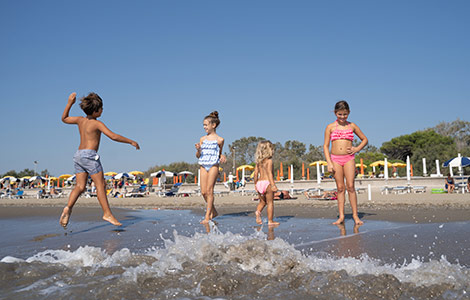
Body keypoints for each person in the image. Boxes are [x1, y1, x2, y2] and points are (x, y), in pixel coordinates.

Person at [59, 92, 140, 228]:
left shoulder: (80, 120)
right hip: (90, 156)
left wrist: (69, 103)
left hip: (78, 155)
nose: (103, 110)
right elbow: (113, 136)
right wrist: (131, 141)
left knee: (80, 186)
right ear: (96, 111)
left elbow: (64, 118)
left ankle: (68, 208)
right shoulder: (97, 124)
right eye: (101, 108)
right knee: (100, 185)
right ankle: (107, 213)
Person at [324, 100, 368, 225]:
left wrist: (356, 149)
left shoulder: (352, 126)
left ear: (348, 113)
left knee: (350, 186)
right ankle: (341, 216)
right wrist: (329, 162)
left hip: (349, 158)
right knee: (340, 188)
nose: (342, 117)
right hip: (335, 159)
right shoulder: (330, 127)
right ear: (335, 113)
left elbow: (364, 139)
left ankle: (355, 216)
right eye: (340, 114)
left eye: (345, 114)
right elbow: (326, 146)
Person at [195, 111, 226, 224]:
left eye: (206, 125)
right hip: (203, 164)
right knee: (203, 192)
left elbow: (219, 153)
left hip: (213, 165)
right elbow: (198, 156)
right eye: (203, 125)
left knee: (209, 190)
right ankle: (214, 211)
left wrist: (222, 156)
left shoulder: (220, 140)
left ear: (213, 125)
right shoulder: (202, 139)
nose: (204, 127)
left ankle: (208, 216)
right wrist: (198, 149)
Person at [253, 140, 280, 226]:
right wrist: (273, 185)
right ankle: (270, 221)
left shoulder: (258, 162)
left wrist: (255, 184)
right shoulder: (269, 161)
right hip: (267, 183)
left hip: (259, 183)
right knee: (270, 203)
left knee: (262, 202)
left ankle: (258, 212)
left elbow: (256, 174)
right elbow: (269, 173)